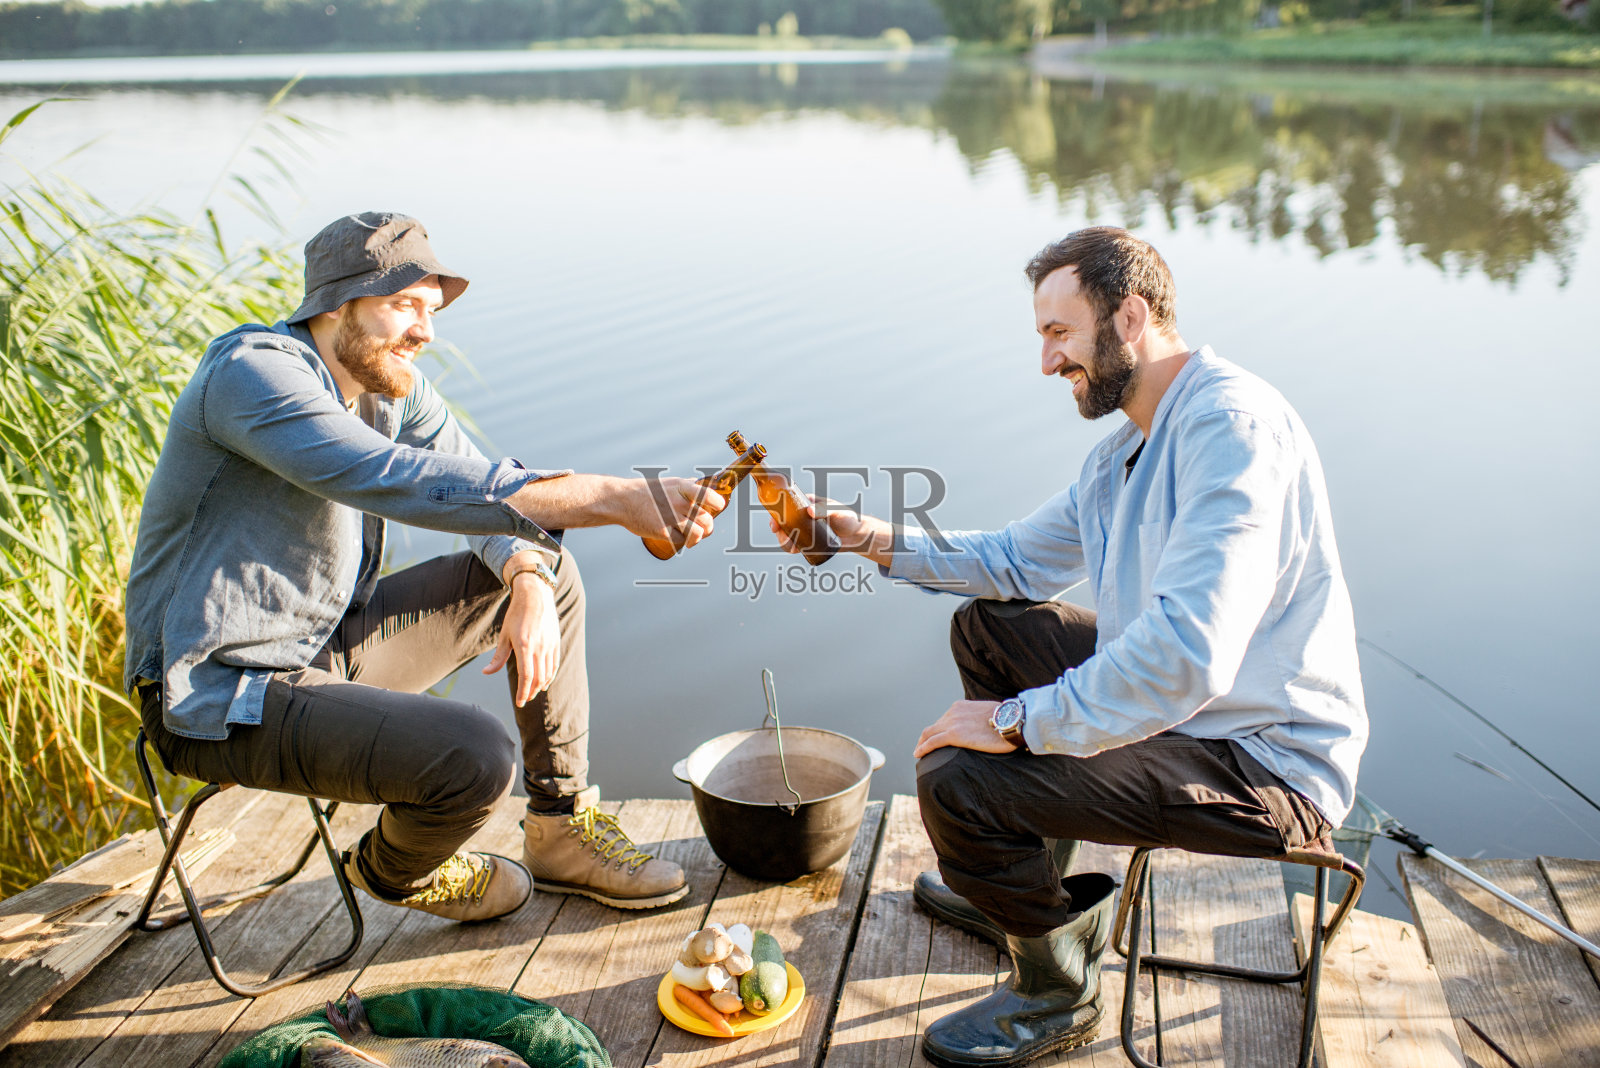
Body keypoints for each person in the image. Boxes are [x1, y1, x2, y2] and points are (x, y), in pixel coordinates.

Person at [776, 227, 1367, 1067]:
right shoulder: (1126, 450)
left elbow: (1186, 657)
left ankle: (1057, 992)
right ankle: (1023, 894)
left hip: (1262, 766)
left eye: (1060, 334)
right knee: (993, 624)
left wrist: (1019, 721)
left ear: (1130, 317)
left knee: (958, 780)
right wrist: (857, 534)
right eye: (1043, 338)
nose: (1048, 363)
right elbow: (1009, 562)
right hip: (1188, 720)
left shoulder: (1232, 430)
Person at [124, 212, 722, 922]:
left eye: (430, 310)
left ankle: (560, 829)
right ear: (335, 304)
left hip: (323, 653)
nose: (425, 332)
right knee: (474, 757)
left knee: (549, 575)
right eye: (403, 304)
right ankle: (391, 871)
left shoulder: (388, 385)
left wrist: (527, 575)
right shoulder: (253, 375)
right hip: (218, 694)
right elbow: (399, 477)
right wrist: (616, 497)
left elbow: (481, 487)